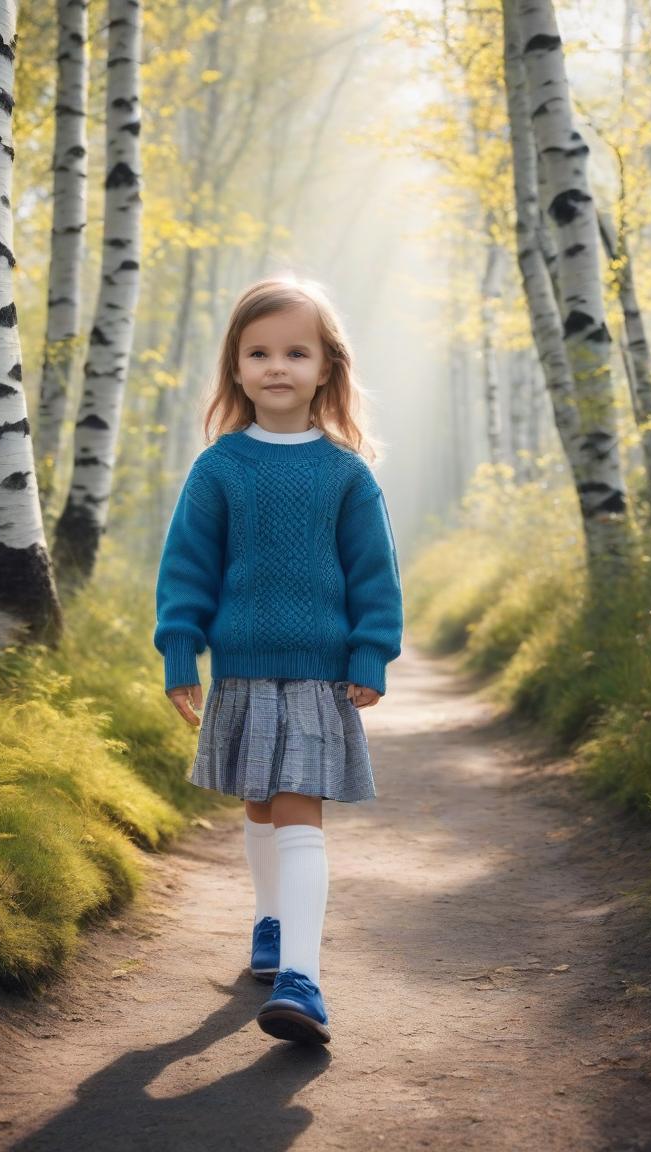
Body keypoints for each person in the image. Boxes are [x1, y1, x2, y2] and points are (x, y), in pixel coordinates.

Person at [153, 275, 404, 1046]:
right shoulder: (221, 467)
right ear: (235, 367)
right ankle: (268, 924)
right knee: (260, 806)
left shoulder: (345, 473)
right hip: (240, 670)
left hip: (319, 674)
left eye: (296, 352)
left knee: (297, 812)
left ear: (328, 366)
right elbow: (187, 567)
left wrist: (370, 648)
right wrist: (180, 649)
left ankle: (302, 977)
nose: (277, 367)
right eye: (258, 352)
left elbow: (375, 572)